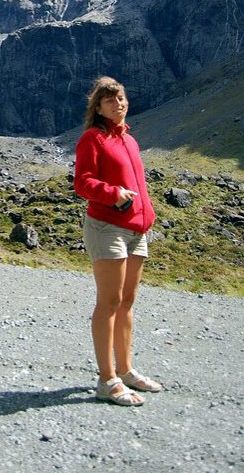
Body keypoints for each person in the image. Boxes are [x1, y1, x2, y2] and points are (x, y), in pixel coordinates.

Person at [74, 76, 162, 406]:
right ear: (98, 107)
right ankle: (106, 379)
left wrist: (147, 214)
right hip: (106, 227)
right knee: (109, 303)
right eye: (109, 100)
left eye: (121, 97)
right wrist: (114, 195)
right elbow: (82, 183)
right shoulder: (92, 139)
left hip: (136, 230)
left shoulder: (130, 141)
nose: (118, 103)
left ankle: (125, 370)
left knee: (127, 302)